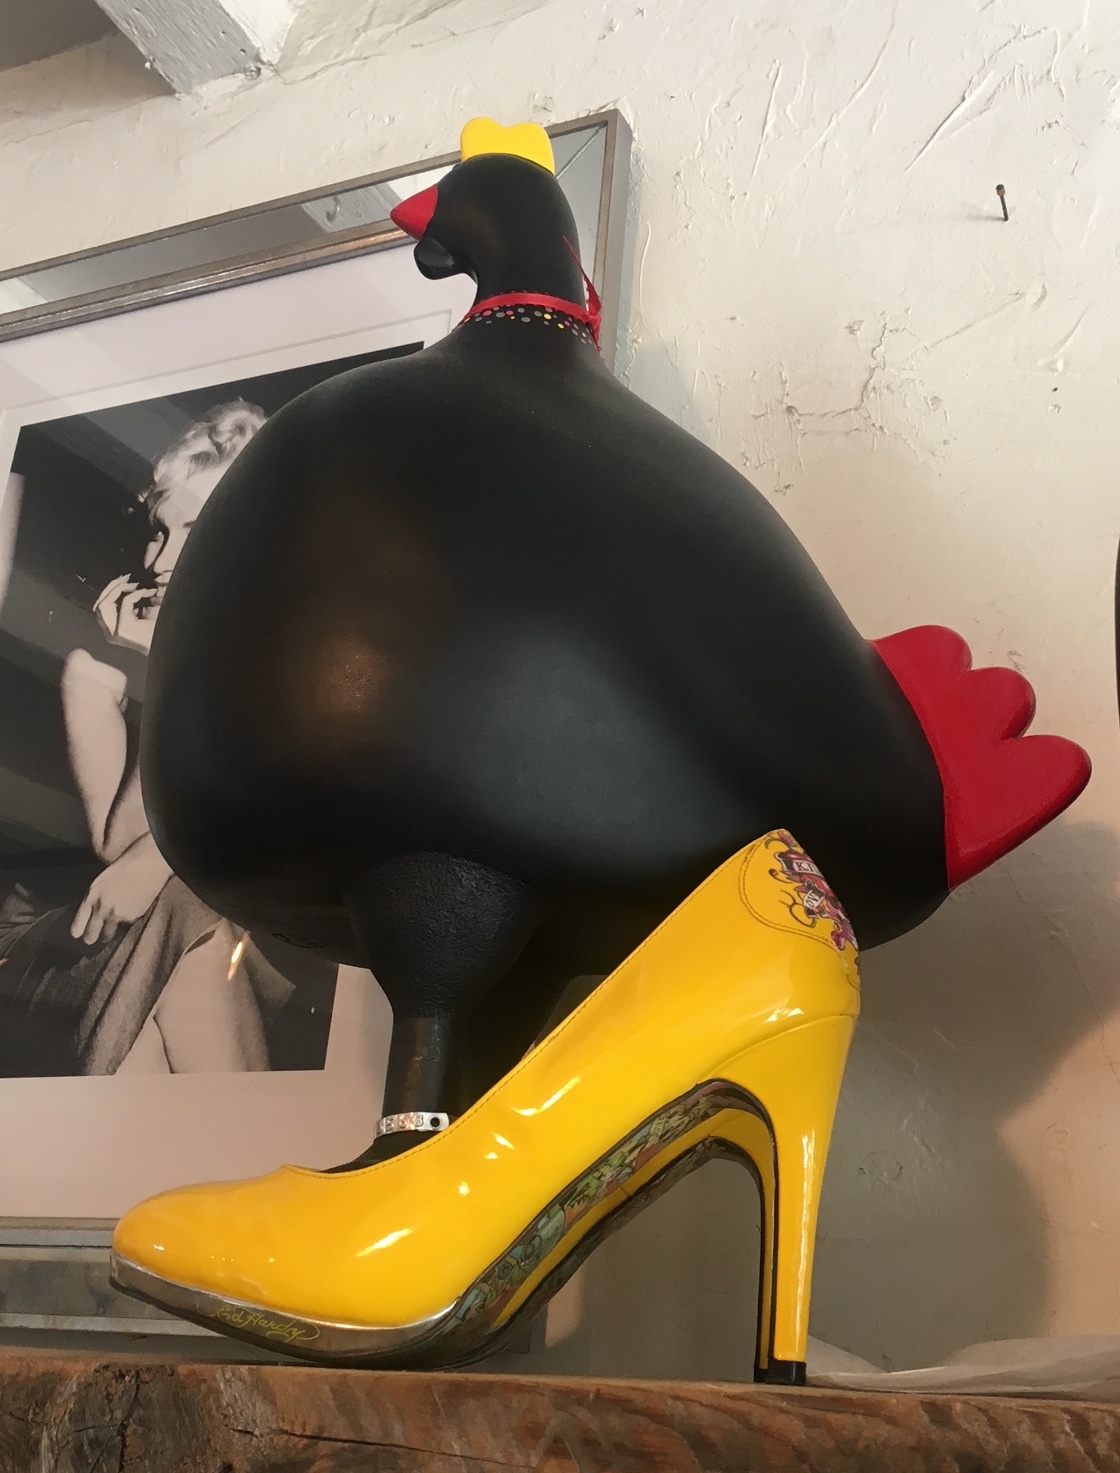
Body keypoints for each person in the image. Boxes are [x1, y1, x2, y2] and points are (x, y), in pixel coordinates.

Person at [0, 401, 289, 1075]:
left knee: (186, 940)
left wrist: (156, 865)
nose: (161, 558)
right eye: (160, 531)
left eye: (197, 529)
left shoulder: (287, 659)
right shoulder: (96, 664)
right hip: (62, 931)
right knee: (190, 925)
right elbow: (118, 846)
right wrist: (166, 672)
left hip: (215, 922)